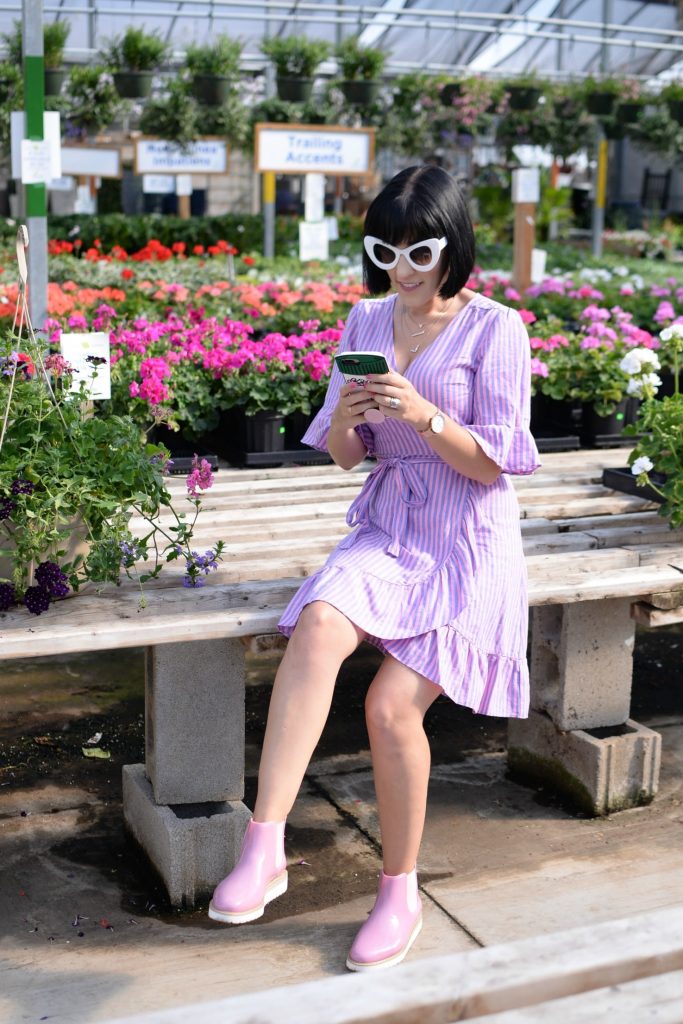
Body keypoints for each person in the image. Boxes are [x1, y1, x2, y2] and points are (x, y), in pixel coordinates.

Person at [208, 164, 541, 971]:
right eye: (385, 251)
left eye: (420, 251)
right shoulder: (365, 318)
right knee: (318, 626)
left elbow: (495, 465)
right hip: (391, 523)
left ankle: (398, 891)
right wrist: (352, 420)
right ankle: (266, 844)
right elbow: (340, 454)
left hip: (466, 538)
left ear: (453, 244)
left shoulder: (497, 328)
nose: (403, 269)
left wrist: (423, 413)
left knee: (394, 707)